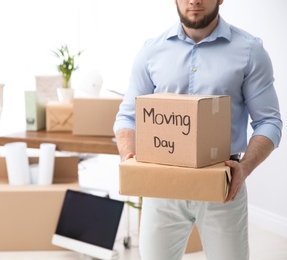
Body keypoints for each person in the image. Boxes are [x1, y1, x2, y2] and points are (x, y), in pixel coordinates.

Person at [113, 0, 283, 259]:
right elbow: (127, 116)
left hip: (224, 186)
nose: (194, 0)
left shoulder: (249, 51)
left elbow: (269, 122)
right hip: (162, 186)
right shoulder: (151, 51)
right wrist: (130, 160)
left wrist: (244, 169)